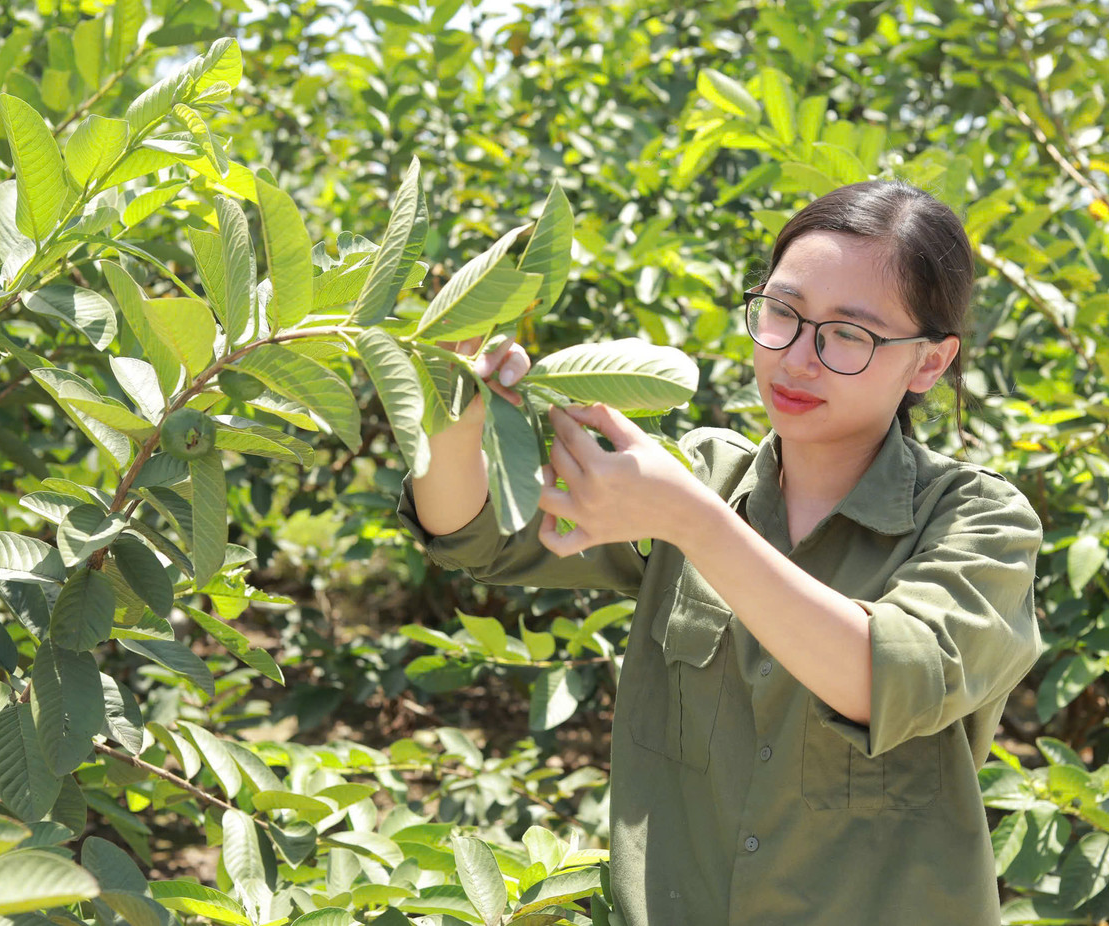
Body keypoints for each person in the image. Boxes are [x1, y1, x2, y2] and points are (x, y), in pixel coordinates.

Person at [396, 180, 1044, 925]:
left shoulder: (979, 520)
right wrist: (452, 409)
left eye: (849, 335)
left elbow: (890, 675)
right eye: (783, 313)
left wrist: (693, 522)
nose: (799, 357)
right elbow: (475, 535)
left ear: (929, 364)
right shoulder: (703, 477)